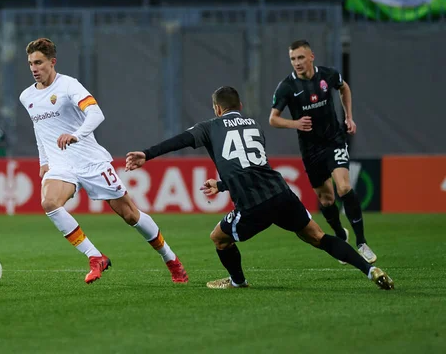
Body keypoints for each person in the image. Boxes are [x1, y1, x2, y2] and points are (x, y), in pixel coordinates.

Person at [126, 86, 394, 290]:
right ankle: (370, 271)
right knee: (319, 237)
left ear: (217, 109)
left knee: (218, 238)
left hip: (253, 204)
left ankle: (237, 281)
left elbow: (181, 140)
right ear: (240, 106)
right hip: (281, 193)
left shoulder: (211, 126)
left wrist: (147, 155)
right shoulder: (254, 125)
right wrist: (221, 185)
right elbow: (250, 166)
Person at [19, 38, 188, 284]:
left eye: (39, 62)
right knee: (49, 202)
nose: (34, 68)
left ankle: (171, 259)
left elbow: (96, 113)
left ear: (52, 62)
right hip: (61, 164)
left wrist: (76, 135)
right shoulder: (27, 96)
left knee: (130, 215)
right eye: (30, 63)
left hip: (90, 161)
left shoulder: (69, 86)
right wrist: (43, 161)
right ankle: (95, 257)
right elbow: (40, 129)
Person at [269, 39, 377, 264]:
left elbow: (344, 87)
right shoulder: (286, 87)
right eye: (292, 59)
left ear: (311, 57)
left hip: (333, 141)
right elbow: (273, 119)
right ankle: (340, 235)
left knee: (344, 187)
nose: (296, 63)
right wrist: (295, 123)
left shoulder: (328, 75)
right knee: (326, 200)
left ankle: (362, 242)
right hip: (310, 150)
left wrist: (348, 116)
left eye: (300, 57)